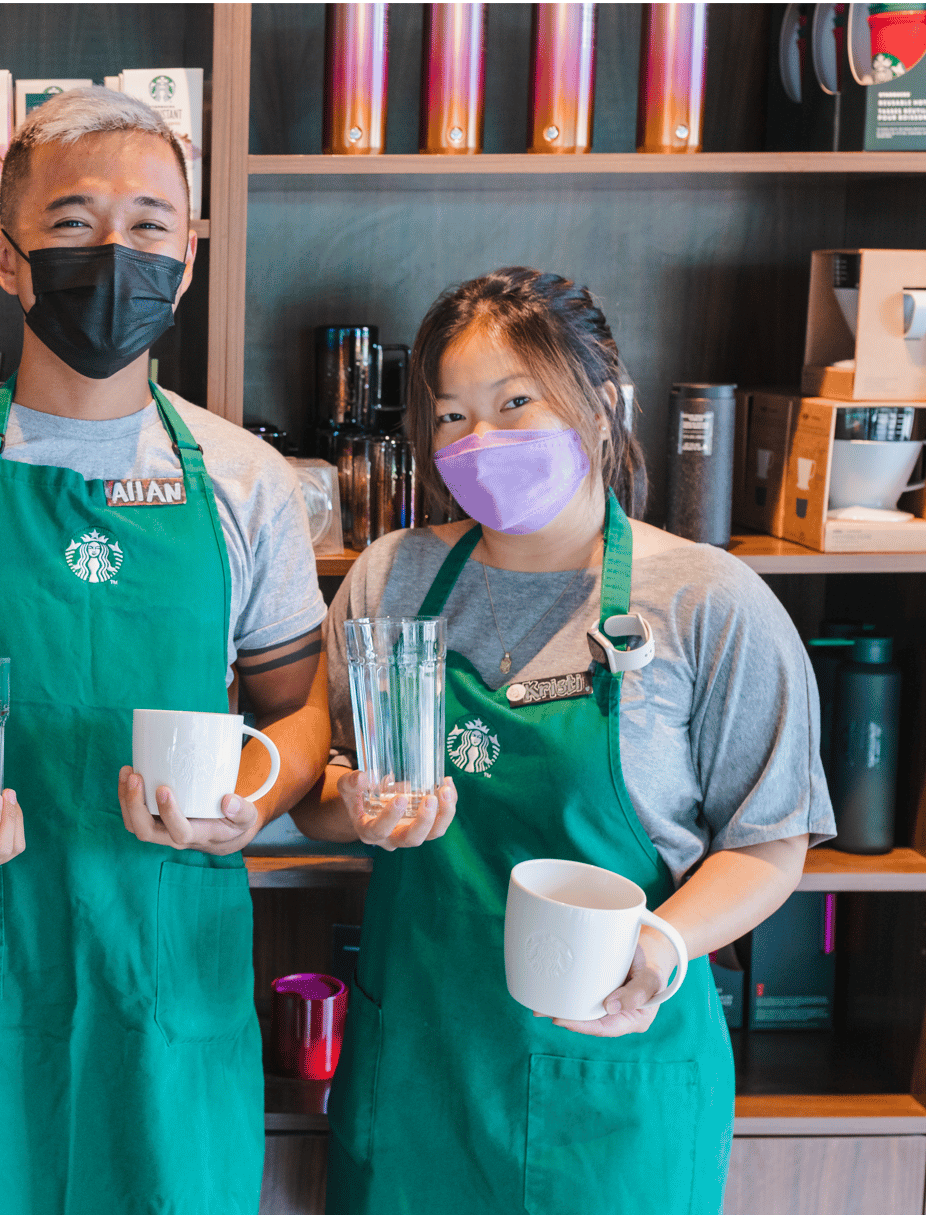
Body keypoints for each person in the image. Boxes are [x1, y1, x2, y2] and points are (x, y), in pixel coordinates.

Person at [0, 87, 330, 1215]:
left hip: (164, 965)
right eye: (74, 222)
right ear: (6, 255)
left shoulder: (244, 480)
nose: (116, 250)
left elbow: (299, 713)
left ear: (186, 258)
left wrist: (251, 795)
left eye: (149, 224)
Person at [296, 269, 833, 1214]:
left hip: (616, 1082)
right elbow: (320, 785)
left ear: (599, 402)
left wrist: (665, 943)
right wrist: (357, 808)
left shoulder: (707, 601)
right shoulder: (393, 580)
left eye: (513, 402)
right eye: (452, 417)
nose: (480, 439)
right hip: (422, 1066)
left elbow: (771, 840)